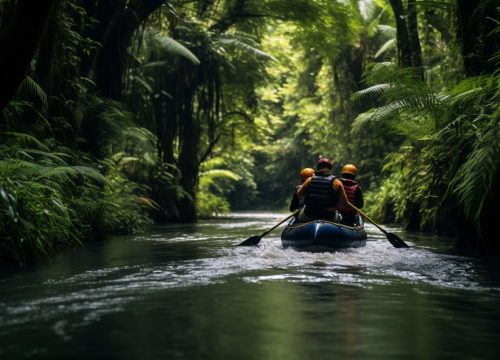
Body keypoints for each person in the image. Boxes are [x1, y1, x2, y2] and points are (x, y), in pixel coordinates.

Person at [296, 158, 349, 222]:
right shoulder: (337, 182)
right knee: (340, 217)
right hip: (328, 217)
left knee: (301, 213)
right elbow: (345, 204)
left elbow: (299, 195)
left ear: (318, 168)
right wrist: (335, 207)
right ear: (330, 169)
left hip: (309, 215)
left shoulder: (309, 180)